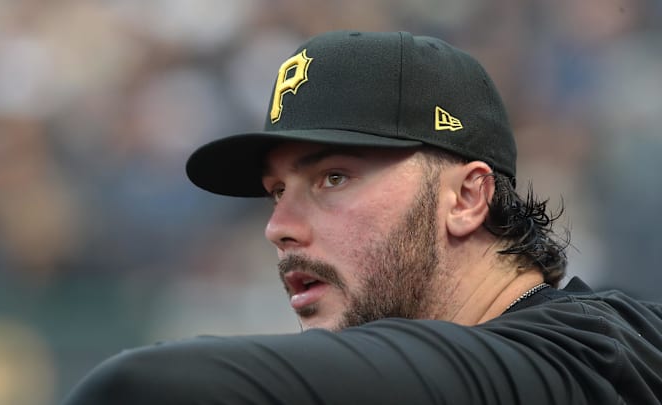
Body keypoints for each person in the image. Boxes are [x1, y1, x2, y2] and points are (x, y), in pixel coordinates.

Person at [63, 30, 662, 404]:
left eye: (333, 178)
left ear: (466, 199)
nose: (279, 227)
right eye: (276, 191)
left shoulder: (591, 358)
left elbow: (146, 389)